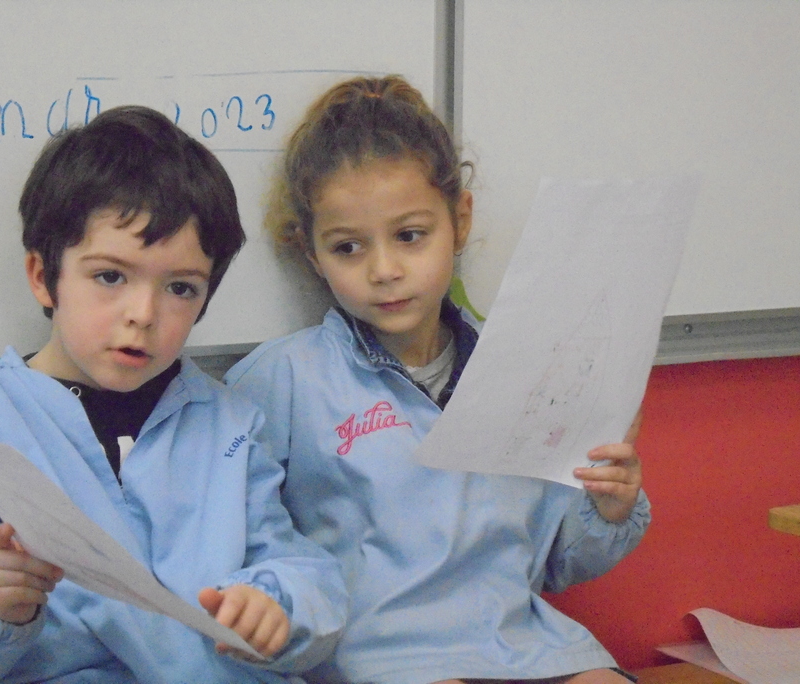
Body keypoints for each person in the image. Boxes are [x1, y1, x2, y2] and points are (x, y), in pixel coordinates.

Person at [224, 76, 650, 684]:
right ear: (311, 253)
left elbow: (558, 561)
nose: (384, 270)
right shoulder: (279, 380)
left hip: (521, 646)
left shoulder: (526, 374)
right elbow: (237, 543)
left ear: (460, 219)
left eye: (410, 236)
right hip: (376, 660)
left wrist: (609, 506)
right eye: (348, 248)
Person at [0, 105, 347, 684]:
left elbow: (296, 565)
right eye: (110, 276)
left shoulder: (230, 421)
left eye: (180, 288)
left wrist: (276, 604)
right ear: (43, 276)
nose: (143, 314)